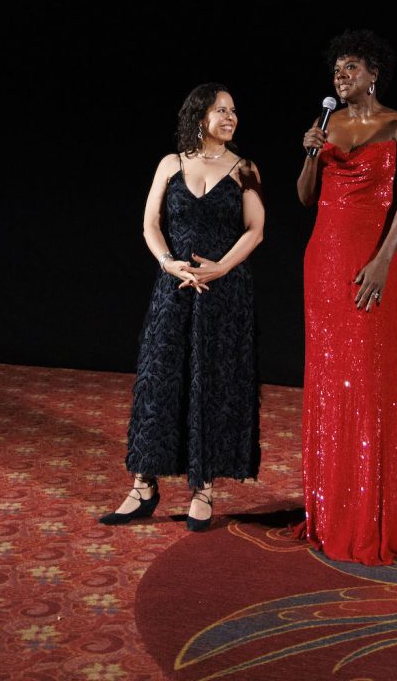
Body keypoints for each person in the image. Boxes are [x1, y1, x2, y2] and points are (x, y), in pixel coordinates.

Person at [101, 84, 263, 531]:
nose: (231, 117)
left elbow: (255, 229)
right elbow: (150, 223)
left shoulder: (244, 168)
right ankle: (143, 487)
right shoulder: (170, 165)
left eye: (234, 110)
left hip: (223, 293)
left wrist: (220, 268)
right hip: (172, 289)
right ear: (199, 116)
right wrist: (168, 263)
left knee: (210, 383)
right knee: (160, 383)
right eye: (221, 110)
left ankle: (203, 488)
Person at [296, 30, 397, 565]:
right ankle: (327, 512)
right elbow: (305, 198)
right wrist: (308, 155)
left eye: (350, 68)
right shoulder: (325, 127)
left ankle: (368, 514)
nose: (340, 77)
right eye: (336, 71)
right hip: (323, 261)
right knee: (328, 378)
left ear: (373, 72)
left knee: (366, 381)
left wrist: (383, 258)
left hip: (371, 261)